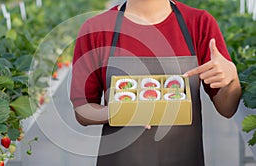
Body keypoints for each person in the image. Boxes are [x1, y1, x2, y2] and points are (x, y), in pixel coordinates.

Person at [70, 0, 242, 165]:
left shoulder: (199, 23)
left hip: (184, 159)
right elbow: (82, 111)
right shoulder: (96, 29)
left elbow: (227, 108)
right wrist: (120, 112)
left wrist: (232, 78)